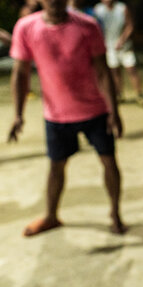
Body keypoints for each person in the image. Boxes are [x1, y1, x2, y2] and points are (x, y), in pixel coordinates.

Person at [9, 0, 126, 236]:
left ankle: (115, 214)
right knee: (56, 167)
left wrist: (114, 112)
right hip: (56, 115)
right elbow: (20, 73)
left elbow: (102, 71)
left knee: (109, 162)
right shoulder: (26, 27)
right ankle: (52, 216)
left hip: (95, 111)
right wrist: (18, 115)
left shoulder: (88, 26)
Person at [94, 0, 143, 107]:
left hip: (125, 47)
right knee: (115, 72)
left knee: (132, 70)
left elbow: (130, 26)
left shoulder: (122, 8)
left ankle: (140, 94)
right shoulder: (98, 10)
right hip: (109, 47)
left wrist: (122, 40)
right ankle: (119, 94)